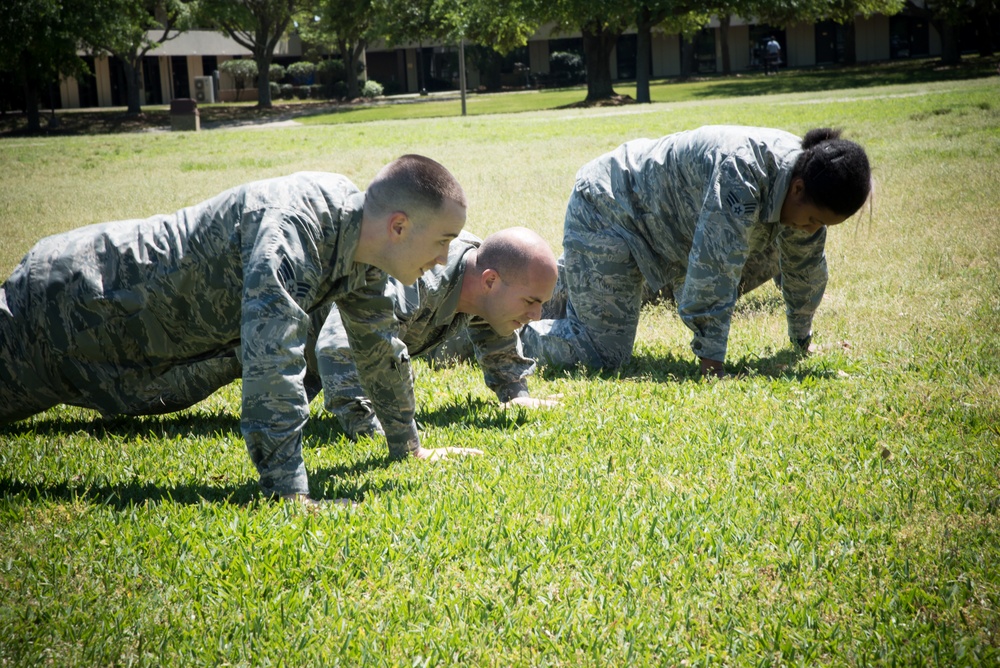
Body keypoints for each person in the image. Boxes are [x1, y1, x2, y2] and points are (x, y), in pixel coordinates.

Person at [0, 155, 481, 504]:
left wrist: (408, 446)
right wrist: (289, 493)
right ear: (398, 226)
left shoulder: (363, 251)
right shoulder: (296, 229)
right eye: (442, 241)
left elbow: (378, 348)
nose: (444, 259)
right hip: (65, 307)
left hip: (104, 345)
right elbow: (274, 363)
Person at [521, 125, 872, 378]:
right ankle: (500, 333)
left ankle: (547, 289)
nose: (811, 228)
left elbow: (805, 267)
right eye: (812, 219)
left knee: (782, 245)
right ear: (797, 189)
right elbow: (715, 269)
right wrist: (712, 362)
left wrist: (802, 339)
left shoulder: (808, 173)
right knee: (601, 354)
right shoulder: (743, 175)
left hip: (659, 231)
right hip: (610, 211)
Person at [316, 227, 560, 439]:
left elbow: (494, 320)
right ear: (489, 282)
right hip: (291, 351)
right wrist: (373, 429)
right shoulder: (414, 276)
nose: (536, 316)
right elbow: (336, 348)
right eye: (530, 301)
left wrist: (514, 392)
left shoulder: (480, 271)